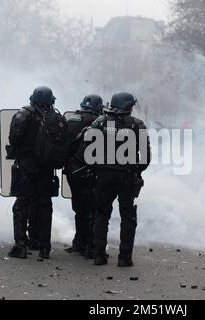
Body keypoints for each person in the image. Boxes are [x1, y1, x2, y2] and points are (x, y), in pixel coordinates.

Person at [84, 92, 151, 267]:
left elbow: (87, 153)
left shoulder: (99, 123)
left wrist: (98, 169)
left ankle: (99, 255)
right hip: (127, 177)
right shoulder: (137, 125)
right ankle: (124, 258)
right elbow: (145, 158)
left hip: (103, 177)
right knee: (128, 218)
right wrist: (135, 170)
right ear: (128, 106)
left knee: (101, 215)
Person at [7, 86, 58, 260]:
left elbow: (14, 138)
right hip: (47, 168)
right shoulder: (54, 117)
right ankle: (45, 247)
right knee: (44, 205)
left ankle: (21, 246)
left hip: (26, 166)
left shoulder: (23, 114)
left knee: (21, 204)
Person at [65, 95, 104, 259]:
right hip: (92, 171)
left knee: (79, 209)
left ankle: (78, 243)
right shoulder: (101, 122)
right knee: (94, 211)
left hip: (73, 171)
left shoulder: (72, 118)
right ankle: (90, 246)